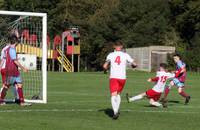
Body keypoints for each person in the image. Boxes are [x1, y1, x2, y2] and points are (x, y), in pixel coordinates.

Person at [103, 41, 137, 120]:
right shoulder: (125, 55)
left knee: (113, 95)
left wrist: (105, 70)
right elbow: (134, 64)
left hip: (114, 77)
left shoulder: (111, 55)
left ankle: (115, 112)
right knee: (118, 94)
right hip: (122, 78)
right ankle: (116, 110)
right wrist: (133, 66)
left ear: (114, 46)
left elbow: (104, 66)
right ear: (121, 46)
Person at [3, 35, 31, 106]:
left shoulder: (8, 49)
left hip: (12, 70)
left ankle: (22, 102)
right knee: (7, 86)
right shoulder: (12, 49)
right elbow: (15, 61)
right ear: (15, 41)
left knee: (19, 84)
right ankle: (1, 100)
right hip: (12, 70)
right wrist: (23, 68)